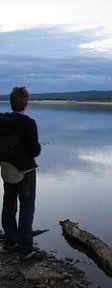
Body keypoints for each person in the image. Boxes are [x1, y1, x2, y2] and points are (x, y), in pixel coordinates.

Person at [0, 87, 44, 259]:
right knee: (27, 209)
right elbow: (35, 151)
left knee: (8, 205)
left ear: (11, 102)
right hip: (25, 170)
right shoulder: (28, 123)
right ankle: (26, 250)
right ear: (26, 103)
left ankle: (11, 242)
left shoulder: (2, 120)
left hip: (6, 168)